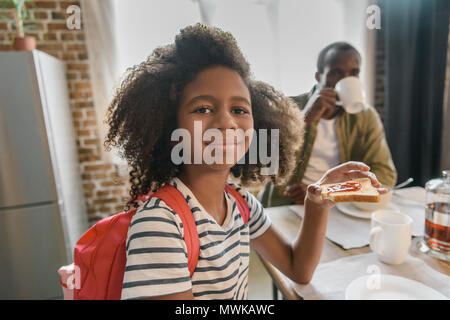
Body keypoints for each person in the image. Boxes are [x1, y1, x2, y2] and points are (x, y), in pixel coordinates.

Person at [105, 25, 386, 300]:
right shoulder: (160, 224)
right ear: (169, 126)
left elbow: (298, 269)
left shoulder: (240, 203)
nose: (227, 123)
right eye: (203, 108)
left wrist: (317, 201)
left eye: (239, 109)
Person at [260, 42, 397, 207]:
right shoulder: (287, 107)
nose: (346, 80)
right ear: (318, 76)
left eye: (353, 73)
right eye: (336, 73)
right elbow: (262, 161)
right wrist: (305, 118)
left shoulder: (366, 117)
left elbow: (386, 175)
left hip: (338, 205)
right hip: (286, 204)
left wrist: (326, 192)